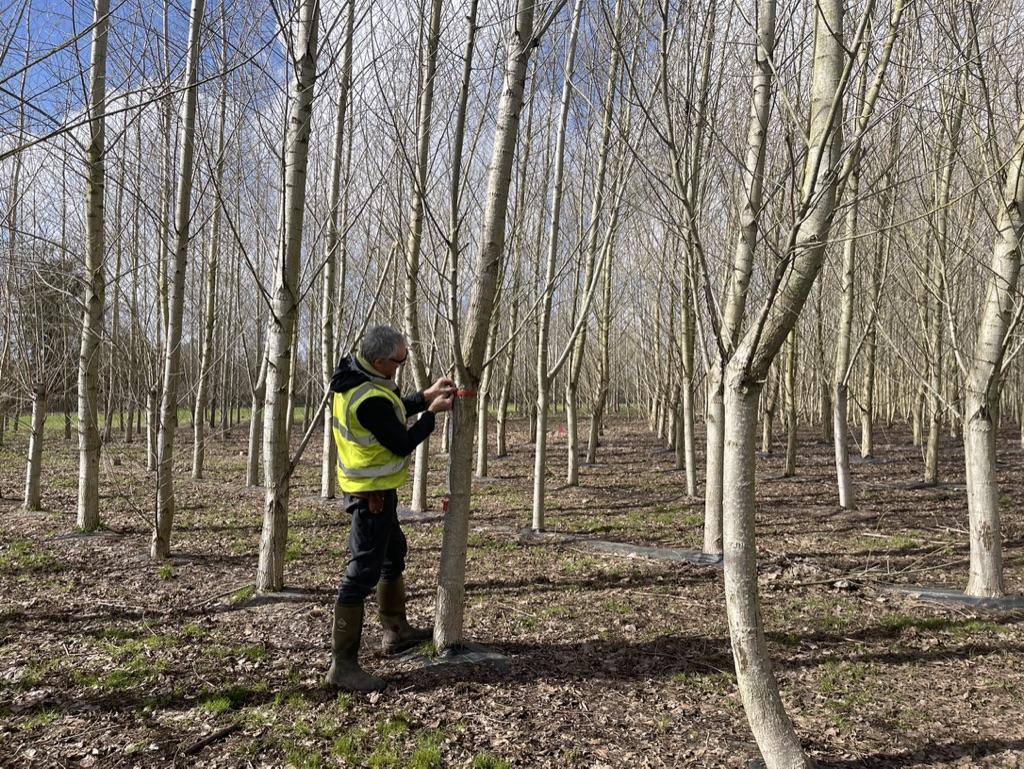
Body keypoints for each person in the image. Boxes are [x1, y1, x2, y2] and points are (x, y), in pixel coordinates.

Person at [324, 324, 454, 692]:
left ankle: (395, 631)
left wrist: (423, 396)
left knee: (393, 554)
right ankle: (343, 666)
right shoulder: (366, 398)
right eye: (398, 362)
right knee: (360, 576)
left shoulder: (360, 373)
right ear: (380, 360)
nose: (400, 367)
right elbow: (401, 441)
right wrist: (432, 413)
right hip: (370, 498)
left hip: (377, 491)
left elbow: (394, 407)